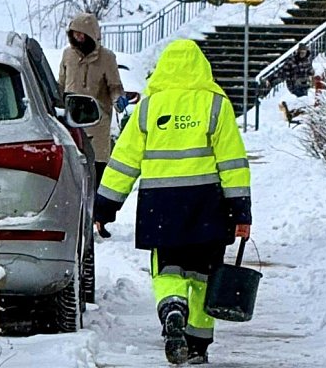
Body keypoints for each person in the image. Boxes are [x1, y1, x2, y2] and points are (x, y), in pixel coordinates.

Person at [93, 39, 252, 365]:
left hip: (161, 207)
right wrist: (241, 212)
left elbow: (124, 162)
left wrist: (105, 207)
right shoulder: (216, 105)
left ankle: (172, 308)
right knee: (204, 278)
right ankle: (197, 346)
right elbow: (233, 164)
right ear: (202, 68)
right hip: (210, 207)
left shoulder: (149, 108)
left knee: (167, 271)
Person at [58, 12, 125, 190]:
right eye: (75, 33)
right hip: (71, 119)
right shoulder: (67, 55)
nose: (78, 37)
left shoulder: (107, 58)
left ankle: (94, 211)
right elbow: (61, 83)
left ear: (91, 34)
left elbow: (115, 86)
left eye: (82, 34)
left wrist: (118, 100)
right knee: (72, 168)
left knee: (96, 169)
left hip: (97, 120)